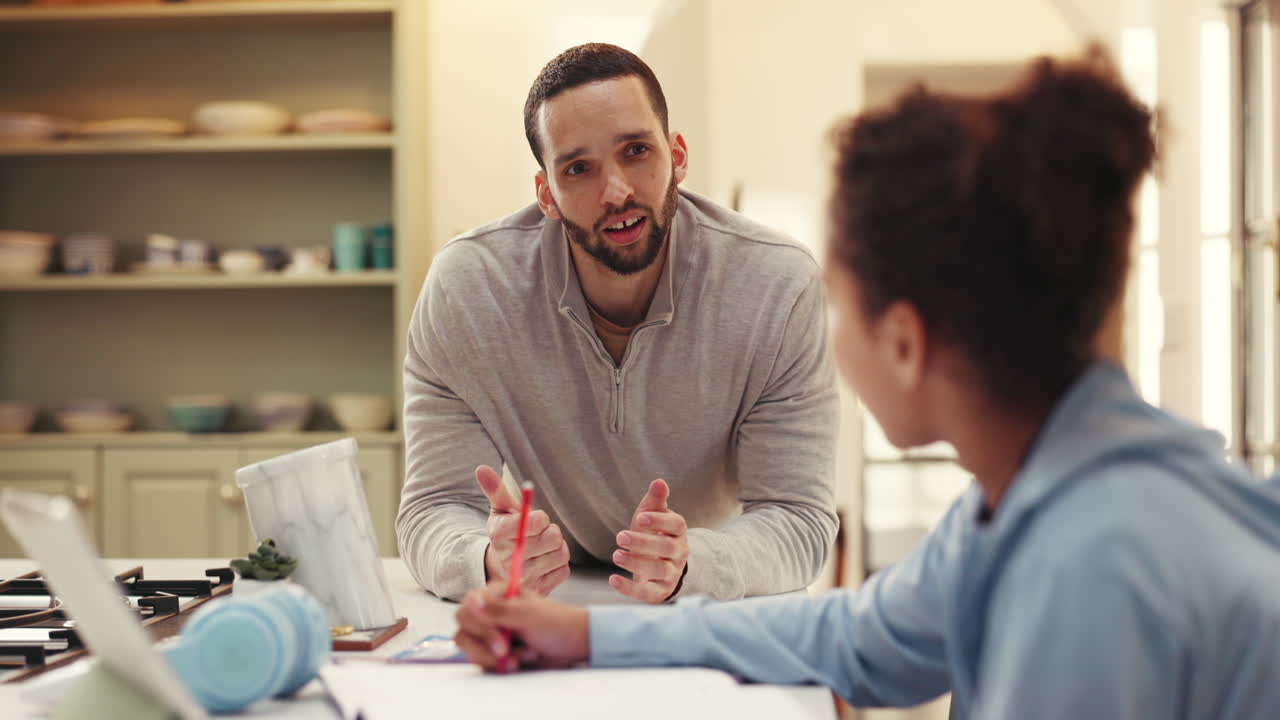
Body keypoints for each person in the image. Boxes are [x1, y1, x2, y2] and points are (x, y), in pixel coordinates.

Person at [451, 47, 1280, 718]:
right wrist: (587, 638)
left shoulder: (1088, 569)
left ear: (905, 343)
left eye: (838, 306)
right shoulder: (1031, 500)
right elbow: (855, 636)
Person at [397, 43, 838, 604]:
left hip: (707, 604)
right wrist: (483, 558)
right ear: (546, 194)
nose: (617, 191)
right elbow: (431, 508)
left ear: (677, 155)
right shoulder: (468, 290)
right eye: (578, 168)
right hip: (552, 603)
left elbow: (799, 520)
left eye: (636, 150)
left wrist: (692, 564)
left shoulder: (777, 287)